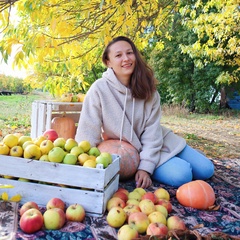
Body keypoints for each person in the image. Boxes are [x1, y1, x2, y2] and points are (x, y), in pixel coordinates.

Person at [75, 36, 214, 189]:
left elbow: (152, 133)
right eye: (118, 55)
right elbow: (87, 132)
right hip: (131, 152)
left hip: (158, 141)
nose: (126, 58)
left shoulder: (148, 89)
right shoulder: (99, 89)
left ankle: (174, 157)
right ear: (108, 62)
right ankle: (171, 163)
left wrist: (145, 168)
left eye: (129, 53)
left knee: (207, 169)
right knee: (183, 175)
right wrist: (86, 164)